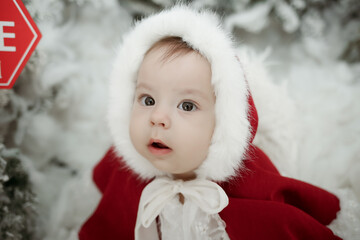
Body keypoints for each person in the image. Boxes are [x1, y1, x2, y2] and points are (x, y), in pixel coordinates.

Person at [79, 5, 341, 240]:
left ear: (222, 124)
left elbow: (288, 216)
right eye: (147, 100)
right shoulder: (127, 173)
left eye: (187, 105)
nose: (157, 118)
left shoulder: (249, 180)